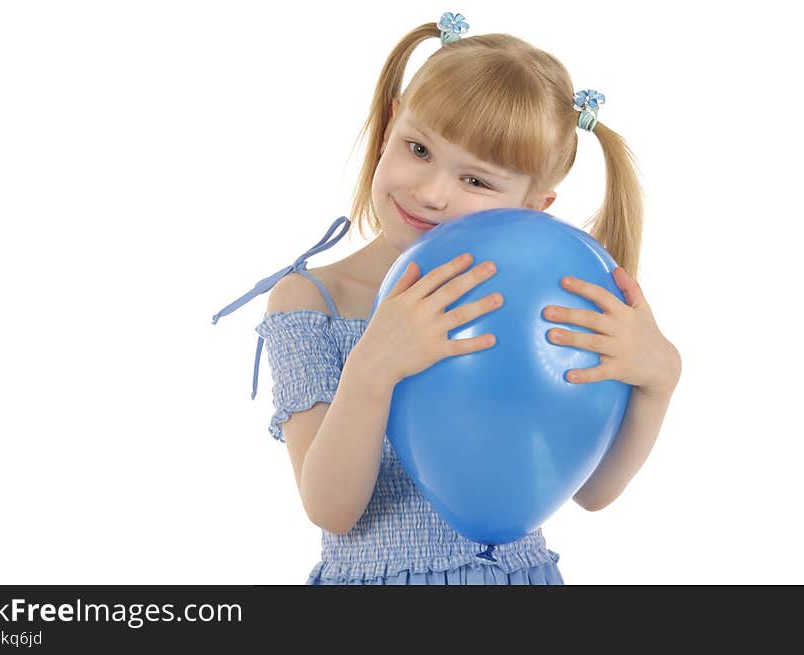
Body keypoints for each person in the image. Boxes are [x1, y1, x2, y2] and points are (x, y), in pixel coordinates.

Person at [212, 12, 682, 585]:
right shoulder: (311, 302)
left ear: (534, 207)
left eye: (477, 181)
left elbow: (593, 492)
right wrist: (371, 371)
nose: (432, 193)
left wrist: (658, 383)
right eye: (418, 148)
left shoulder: (544, 308)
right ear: (388, 130)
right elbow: (332, 510)